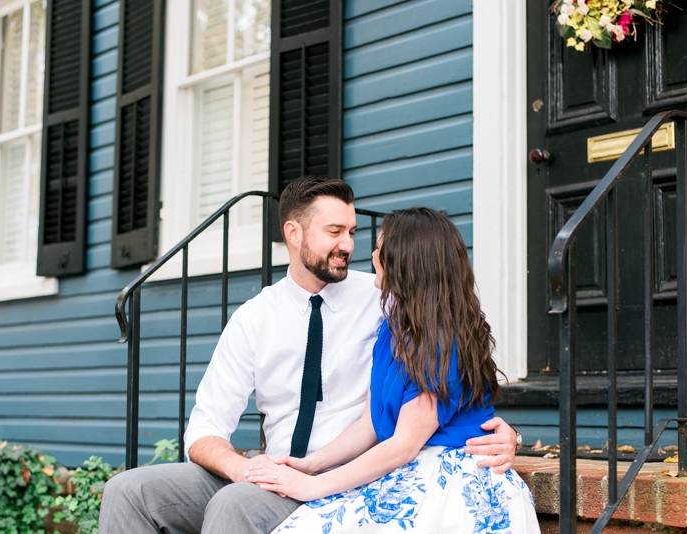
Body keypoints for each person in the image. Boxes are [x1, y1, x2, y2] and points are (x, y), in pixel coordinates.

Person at [99, 176, 520, 534]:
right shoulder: (254, 318)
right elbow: (204, 431)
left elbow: (447, 358)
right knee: (128, 491)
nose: (349, 245)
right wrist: (253, 470)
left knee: (235, 505)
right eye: (335, 232)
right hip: (278, 467)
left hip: (351, 477)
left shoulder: (386, 297)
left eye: (354, 233)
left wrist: (503, 432)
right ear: (293, 233)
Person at [248, 208, 539, 533]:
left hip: (449, 477)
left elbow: (404, 445)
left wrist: (312, 487)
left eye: (380, 248)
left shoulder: (441, 340)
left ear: (403, 262)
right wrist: (310, 464)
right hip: (407, 466)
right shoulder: (393, 329)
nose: (372, 254)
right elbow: (370, 422)